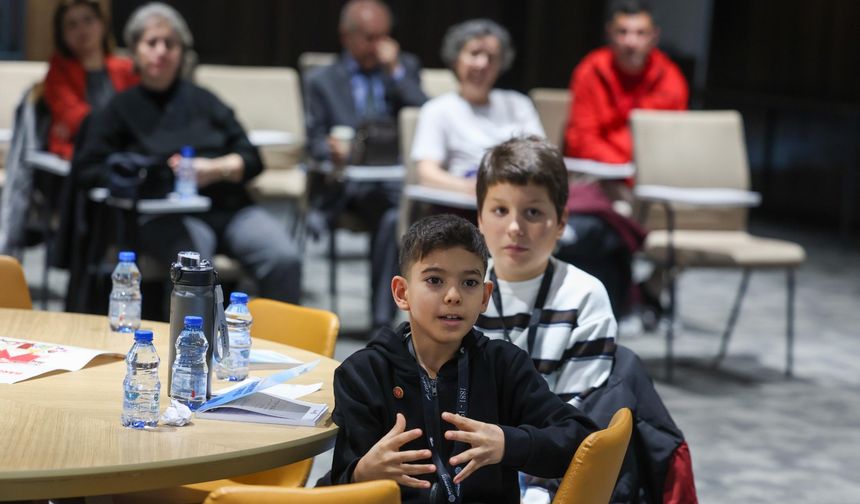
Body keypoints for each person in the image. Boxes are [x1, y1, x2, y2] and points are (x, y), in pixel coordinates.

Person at [474, 136, 697, 503]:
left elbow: (576, 419)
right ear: (479, 218)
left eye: (533, 213)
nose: (515, 227)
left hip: (552, 472)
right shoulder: (459, 290)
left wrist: (529, 483)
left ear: (561, 222)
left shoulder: (584, 296)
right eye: (500, 210)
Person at [329, 214, 596, 503]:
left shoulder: (504, 365)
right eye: (435, 280)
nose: (453, 296)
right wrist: (361, 473)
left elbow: (583, 440)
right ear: (402, 292)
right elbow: (338, 485)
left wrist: (508, 443)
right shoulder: (364, 373)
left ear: (484, 296)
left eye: (469, 282)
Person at [74, 2, 302, 304]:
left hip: (229, 208)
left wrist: (215, 169)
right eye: (152, 43)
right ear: (135, 52)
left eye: (170, 44)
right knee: (195, 266)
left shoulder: (204, 101)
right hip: (165, 216)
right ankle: (192, 337)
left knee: (284, 258)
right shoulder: (119, 109)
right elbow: (87, 168)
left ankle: (280, 334)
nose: (161, 51)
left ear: (182, 53)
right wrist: (145, 177)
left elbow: (251, 158)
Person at [559, 0, 688, 320]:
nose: (631, 41)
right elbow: (582, 138)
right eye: (623, 32)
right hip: (601, 177)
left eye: (640, 33)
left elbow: (674, 140)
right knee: (613, 213)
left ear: (654, 36)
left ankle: (649, 289)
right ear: (610, 34)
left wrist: (640, 174)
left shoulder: (670, 78)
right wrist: (626, 172)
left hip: (651, 178)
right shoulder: (592, 70)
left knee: (692, 222)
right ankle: (619, 299)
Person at [304, 0, 427, 331]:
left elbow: (425, 116)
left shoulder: (404, 68)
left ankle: (382, 321)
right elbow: (313, 140)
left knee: (393, 218)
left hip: (392, 183)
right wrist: (332, 149)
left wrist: (396, 72)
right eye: (370, 38)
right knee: (393, 209)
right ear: (347, 36)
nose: (379, 46)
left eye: (384, 36)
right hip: (347, 183)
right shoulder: (322, 80)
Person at [411, 19, 544, 195]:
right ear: (456, 59)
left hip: (518, 197)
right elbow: (427, 174)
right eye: (474, 54)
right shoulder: (437, 110)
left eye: (491, 57)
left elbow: (541, 158)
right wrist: (475, 189)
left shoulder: (519, 104)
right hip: (463, 201)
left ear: (501, 64)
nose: (482, 64)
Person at [44, 0, 138, 160]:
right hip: (77, 157)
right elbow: (74, 118)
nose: (82, 29)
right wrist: (121, 125)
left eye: (88, 20)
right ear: (62, 34)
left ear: (102, 24)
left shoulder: (126, 68)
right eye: (72, 24)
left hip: (126, 154)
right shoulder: (58, 71)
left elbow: (140, 114)